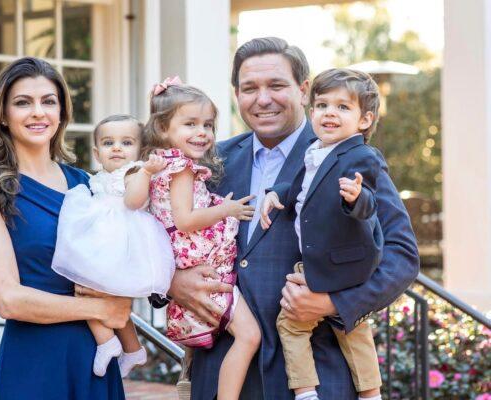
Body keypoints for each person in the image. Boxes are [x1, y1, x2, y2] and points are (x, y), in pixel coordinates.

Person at [165, 37, 419, 399]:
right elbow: (158, 232)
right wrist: (173, 281)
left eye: (277, 85)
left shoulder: (348, 155)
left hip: (316, 373)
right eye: (250, 87)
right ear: (236, 94)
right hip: (223, 374)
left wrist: (335, 304)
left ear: (302, 90)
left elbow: (401, 254)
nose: (263, 98)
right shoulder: (209, 160)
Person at [0, 57, 130, 399]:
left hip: (94, 356)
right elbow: (9, 299)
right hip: (35, 360)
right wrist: (101, 308)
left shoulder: (87, 183)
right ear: (4, 116)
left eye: (48, 102)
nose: (38, 112)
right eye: (23, 102)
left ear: (61, 114)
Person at [261, 68, 385, 400]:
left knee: (353, 330)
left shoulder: (362, 156)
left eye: (343, 107)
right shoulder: (315, 151)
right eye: (322, 105)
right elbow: (301, 188)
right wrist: (276, 194)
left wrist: (357, 199)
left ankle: (370, 394)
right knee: (291, 324)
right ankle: (306, 392)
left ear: (364, 120)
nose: (330, 112)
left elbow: (371, 202)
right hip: (317, 260)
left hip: (345, 264)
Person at [143, 78, 261, 400]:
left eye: (207, 125)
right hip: (199, 263)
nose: (202, 133)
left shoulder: (162, 165)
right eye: (190, 124)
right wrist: (229, 210)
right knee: (249, 336)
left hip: (191, 261)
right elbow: (186, 219)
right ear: (164, 128)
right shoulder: (181, 169)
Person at [51, 114, 175, 377]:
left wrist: (146, 172)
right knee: (101, 296)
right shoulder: (97, 177)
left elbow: (134, 202)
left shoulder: (134, 172)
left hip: (122, 244)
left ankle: (106, 342)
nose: (117, 148)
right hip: (104, 243)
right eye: (109, 143)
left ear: (140, 150)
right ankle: (132, 349)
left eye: (126, 142)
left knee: (87, 291)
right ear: (97, 152)